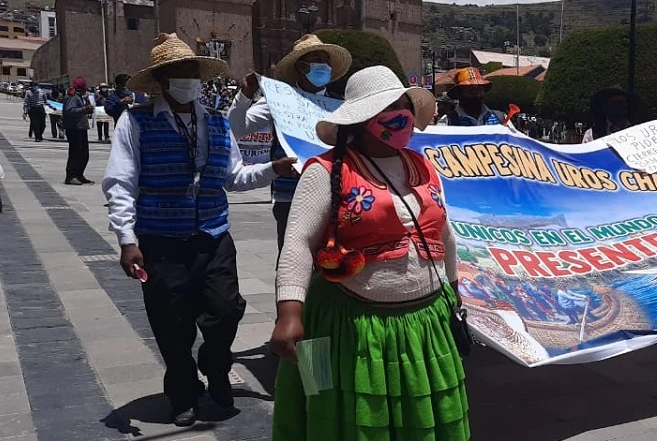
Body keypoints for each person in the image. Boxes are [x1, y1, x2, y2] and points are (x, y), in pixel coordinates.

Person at [103, 34, 298, 427]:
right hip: (160, 240)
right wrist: (127, 240)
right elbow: (120, 183)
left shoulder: (216, 121)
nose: (188, 79)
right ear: (161, 80)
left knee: (226, 310)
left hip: (213, 236)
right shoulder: (136, 121)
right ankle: (183, 391)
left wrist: (271, 170)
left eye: (192, 71)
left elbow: (235, 177)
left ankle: (216, 365)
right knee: (171, 323)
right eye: (178, 72)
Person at [270, 65, 469, 440]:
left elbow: (444, 232)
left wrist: (454, 290)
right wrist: (289, 312)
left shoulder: (423, 165)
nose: (402, 115)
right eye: (389, 107)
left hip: (426, 322)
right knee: (333, 412)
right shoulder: (324, 170)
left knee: (422, 415)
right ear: (362, 119)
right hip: (343, 326)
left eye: (404, 104)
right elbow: (297, 241)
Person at [228, 34, 352, 253]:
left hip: (335, 192)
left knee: (334, 257)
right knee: (293, 257)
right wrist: (244, 97)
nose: (323, 66)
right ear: (301, 67)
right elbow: (237, 128)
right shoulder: (278, 99)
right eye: (316, 60)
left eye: (326, 61)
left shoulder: (340, 105)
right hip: (291, 194)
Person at [63, 77, 93, 185]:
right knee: (75, 153)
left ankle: (79, 174)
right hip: (74, 129)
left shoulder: (79, 96)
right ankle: (71, 176)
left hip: (80, 128)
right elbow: (69, 111)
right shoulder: (73, 97)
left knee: (84, 154)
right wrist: (85, 110)